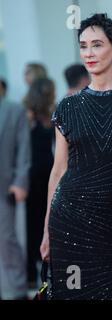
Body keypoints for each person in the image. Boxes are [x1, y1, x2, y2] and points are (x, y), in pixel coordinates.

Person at [39, 13, 112, 300]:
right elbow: (58, 170)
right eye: (83, 45)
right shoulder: (68, 106)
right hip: (69, 220)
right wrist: (47, 230)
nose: (89, 53)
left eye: (97, 45)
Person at [23, 78, 56, 288]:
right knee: (38, 222)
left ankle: (37, 271)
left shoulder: (43, 115)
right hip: (40, 173)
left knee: (38, 222)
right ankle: (35, 271)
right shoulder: (35, 116)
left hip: (41, 173)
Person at [0, 89, 30, 300]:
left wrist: (20, 181)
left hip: (4, 185)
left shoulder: (14, 110)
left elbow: (23, 149)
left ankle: (16, 290)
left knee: (6, 239)